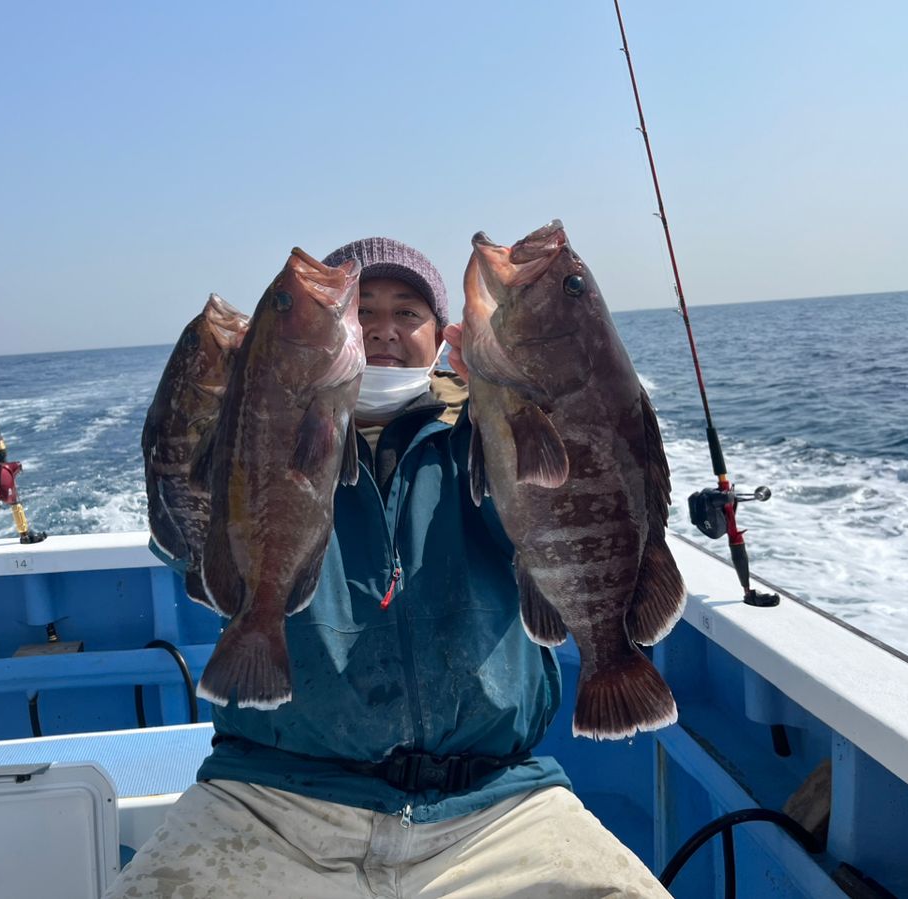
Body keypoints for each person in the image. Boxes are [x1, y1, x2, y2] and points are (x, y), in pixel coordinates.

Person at [107, 238, 670, 898]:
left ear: (444, 335)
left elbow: (565, 510)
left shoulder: (483, 432)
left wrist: (501, 399)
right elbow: (194, 546)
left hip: (492, 802)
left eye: (407, 312)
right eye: (364, 309)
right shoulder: (258, 426)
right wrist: (211, 418)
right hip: (272, 795)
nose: (382, 328)